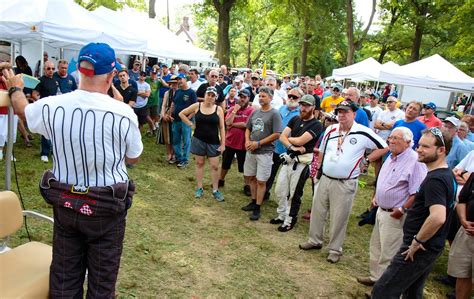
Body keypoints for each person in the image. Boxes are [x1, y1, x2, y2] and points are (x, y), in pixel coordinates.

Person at [3, 42, 143, 298]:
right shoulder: (124, 113)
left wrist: (15, 87)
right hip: (107, 208)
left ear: (78, 69)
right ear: (112, 75)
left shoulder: (53, 105)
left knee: (65, 280)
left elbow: (23, 109)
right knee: (102, 285)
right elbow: (133, 157)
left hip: (67, 205)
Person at [299, 101, 388, 264]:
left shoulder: (363, 132)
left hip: (345, 182)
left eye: (345, 112)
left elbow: (384, 146)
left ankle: (334, 249)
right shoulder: (330, 129)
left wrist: (367, 159)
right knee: (318, 211)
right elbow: (322, 150)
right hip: (325, 177)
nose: (341, 115)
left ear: (354, 114)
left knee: (339, 217)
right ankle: (314, 240)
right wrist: (317, 170)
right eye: (339, 112)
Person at [372, 128, 456, 299]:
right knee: (412, 292)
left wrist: (417, 242)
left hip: (419, 248)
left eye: (425, 146)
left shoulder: (436, 180)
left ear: (441, 151)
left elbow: (438, 217)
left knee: (382, 291)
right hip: (429, 246)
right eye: (419, 145)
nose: (419, 149)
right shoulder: (444, 174)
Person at [356, 127, 427, 287]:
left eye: (397, 139)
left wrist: (402, 209)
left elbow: (417, 192)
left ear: (408, 142)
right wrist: (376, 197)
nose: (391, 141)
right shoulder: (392, 156)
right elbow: (384, 179)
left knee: (389, 251)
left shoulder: (415, 161)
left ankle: (383, 286)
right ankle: (375, 277)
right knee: (376, 247)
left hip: (396, 214)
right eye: (391, 138)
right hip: (381, 210)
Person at [271, 94, 323, 232]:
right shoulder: (295, 119)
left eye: (306, 106)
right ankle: (281, 214)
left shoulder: (317, 125)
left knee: (294, 193)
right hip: (289, 159)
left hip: (302, 163)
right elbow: (282, 136)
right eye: (302, 105)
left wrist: (292, 140)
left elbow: (299, 140)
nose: (303, 108)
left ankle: (290, 219)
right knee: (280, 190)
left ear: (313, 107)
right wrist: (292, 147)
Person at [241, 87, 282, 221]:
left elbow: (277, 134)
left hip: (264, 152)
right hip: (251, 150)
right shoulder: (255, 112)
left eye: (264, 96)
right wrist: (247, 141)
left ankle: (258, 207)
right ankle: (253, 201)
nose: (261, 98)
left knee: (261, 180)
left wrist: (258, 143)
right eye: (260, 96)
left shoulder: (274, 114)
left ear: (270, 98)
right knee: (250, 177)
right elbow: (248, 128)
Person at [179, 87, 225, 201]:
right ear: (205, 95)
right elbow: (182, 114)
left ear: (215, 98)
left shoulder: (218, 109)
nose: (210, 97)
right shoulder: (197, 106)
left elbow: (222, 127)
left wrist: (223, 143)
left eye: (212, 95)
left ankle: (215, 189)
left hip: (213, 141)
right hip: (198, 139)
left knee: (214, 166)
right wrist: (190, 124)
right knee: (199, 163)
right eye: (208, 94)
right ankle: (200, 188)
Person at [264, 87, 303, 200]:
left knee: (288, 177)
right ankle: (265, 193)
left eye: (294, 97)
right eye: (289, 96)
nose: (291, 98)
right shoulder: (281, 108)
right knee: (270, 173)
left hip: (290, 150)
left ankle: (287, 199)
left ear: (300, 99)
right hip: (276, 148)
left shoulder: (301, 113)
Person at [218, 89, 254, 192]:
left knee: (245, 166)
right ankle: (221, 180)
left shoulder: (252, 110)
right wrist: (234, 111)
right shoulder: (233, 108)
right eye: (240, 97)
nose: (242, 99)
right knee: (225, 163)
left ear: (248, 99)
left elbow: (246, 124)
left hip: (243, 144)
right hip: (230, 142)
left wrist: (232, 125)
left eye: (244, 97)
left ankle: (247, 186)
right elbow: (227, 122)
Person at [32, 60, 60, 163]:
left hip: (55, 109)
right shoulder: (40, 80)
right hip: (45, 109)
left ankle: (53, 152)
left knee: (54, 131)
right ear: (44, 69)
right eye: (48, 68)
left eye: (53, 68)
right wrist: (40, 104)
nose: (51, 71)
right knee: (45, 130)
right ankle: (44, 153)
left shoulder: (55, 80)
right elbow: (34, 94)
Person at [172, 74, 197, 168]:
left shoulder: (191, 93)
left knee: (186, 141)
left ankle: (185, 160)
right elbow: (173, 104)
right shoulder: (177, 91)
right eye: (178, 80)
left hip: (185, 121)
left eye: (181, 79)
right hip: (176, 119)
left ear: (185, 79)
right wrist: (170, 113)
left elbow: (195, 108)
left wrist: (189, 118)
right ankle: (179, 158)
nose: (179, 81)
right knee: (176, 140)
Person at [160, 75, 179, 163]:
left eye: (175, 83)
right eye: (172, 83)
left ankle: (175, 154)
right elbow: (163, 105)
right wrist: (163, 115)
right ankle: (168, 153)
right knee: (167, 135)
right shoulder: (167, 93)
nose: (173, 85)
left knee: (176, 136)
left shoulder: (181, 92)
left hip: (178, 115)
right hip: (167, 114)